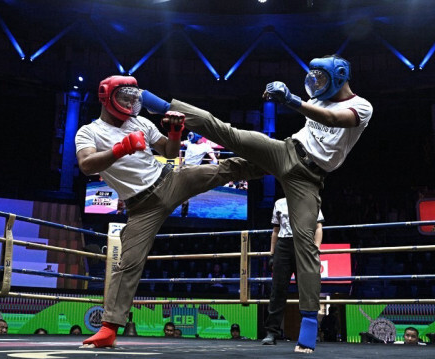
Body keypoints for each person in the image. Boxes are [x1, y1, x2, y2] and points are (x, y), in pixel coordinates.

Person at [141, 54, 372, 353]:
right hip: (284, 151)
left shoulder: (361, 106)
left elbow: (332, 119)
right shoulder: (317, 99)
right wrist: (281, 95)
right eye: (313, 77)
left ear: (339, 76)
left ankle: (309, 323)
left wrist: (289, 99)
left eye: (321, 78)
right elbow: (312, 112)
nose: (316, 83)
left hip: (309, 177)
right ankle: (162, 105)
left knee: (306, 245)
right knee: (230, 137)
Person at [75, 75, 264, 349]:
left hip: (170, 181)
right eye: (124, 97)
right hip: (141, 207)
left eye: (133, 97)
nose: (130, 102)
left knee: (225, 169)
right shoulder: (89, 132)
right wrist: (121, 149)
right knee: (127, 264)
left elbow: (171, 151)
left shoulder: (141, 122)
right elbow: (86, 165)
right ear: (107, 98)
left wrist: (175, 133)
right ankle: (108, 329)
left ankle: (279, 161)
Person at [262, 197, 324, 345]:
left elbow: (318, 227)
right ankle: (272, 332)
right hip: (283, 245)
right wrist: (272, 254)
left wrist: (315, 249)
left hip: (304, 244)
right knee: (278, 290)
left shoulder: (311, 200)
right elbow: (276, 230)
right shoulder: (279, 203)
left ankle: (310, 332)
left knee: (307, 289)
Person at [180, 132, 219, 217]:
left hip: (192, 170)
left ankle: (184, 213)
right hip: (183, 165)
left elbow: (213, 158)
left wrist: (214, 163)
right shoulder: (189, 142)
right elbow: (180, 143)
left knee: (185, 192)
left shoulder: (205, 146)